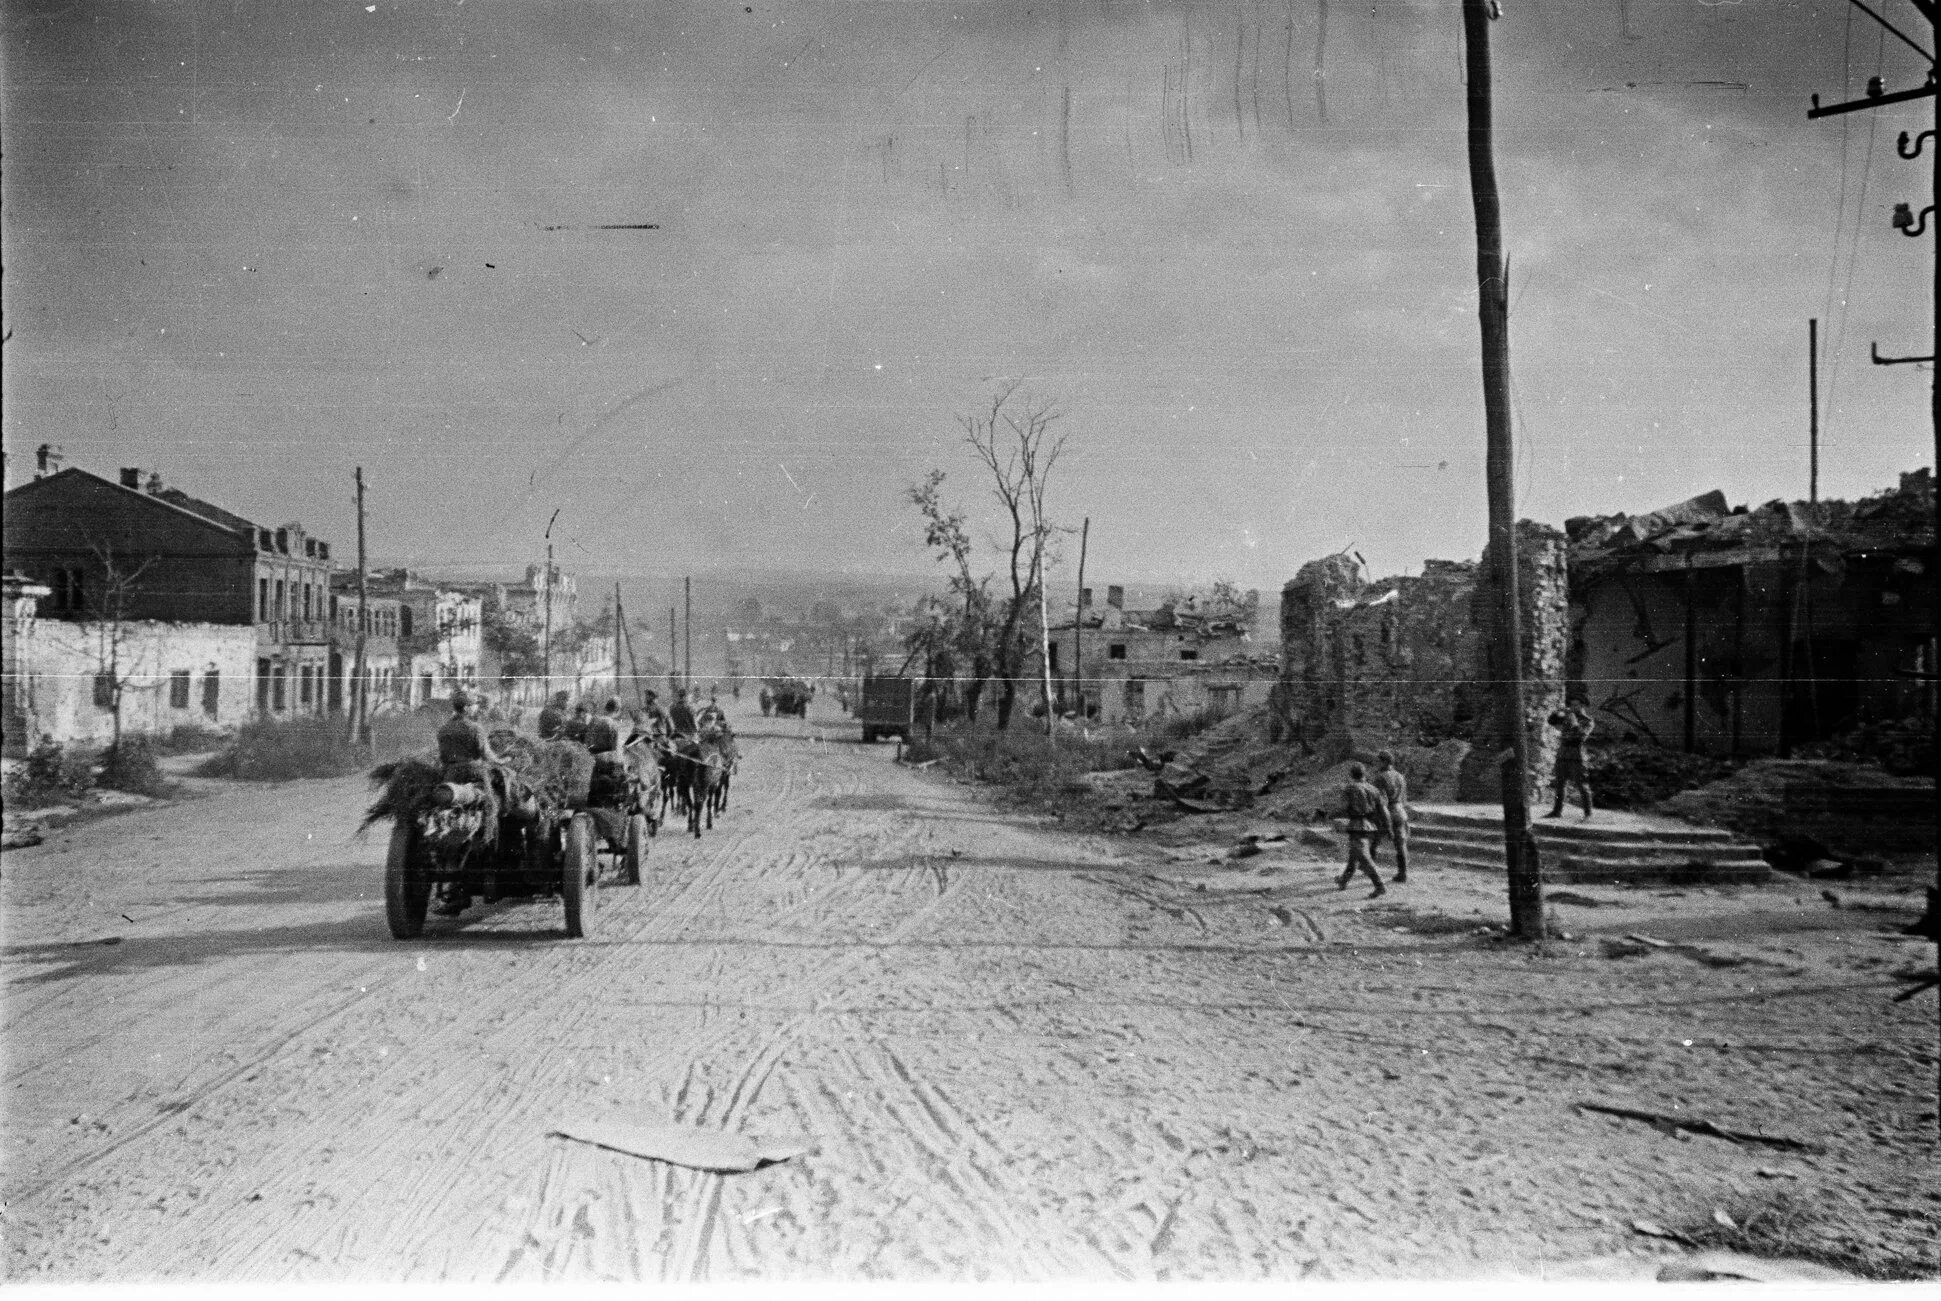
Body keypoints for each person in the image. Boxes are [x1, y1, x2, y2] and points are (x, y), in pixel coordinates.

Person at [433, 690, 504, 915]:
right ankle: (489, 838)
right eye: (473, 706)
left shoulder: (443, 729)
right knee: (492, 803)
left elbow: (443, 756)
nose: (476, 709)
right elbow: (486, 755)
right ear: (467, 708)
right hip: (473, 775)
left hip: (450, 778)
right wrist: (502, 761)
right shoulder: (475, 729)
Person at [1335, 761, 1391, 898]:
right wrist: (1389, 828)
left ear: (1351, 775)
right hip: (1371, 826)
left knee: (1364, 857)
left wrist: (1332, 813)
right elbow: (1384, 811)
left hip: (1357, 825)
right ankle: (1343, 881)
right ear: (1364, 774)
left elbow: (1341, 807)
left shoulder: (1349, 789)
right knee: (1354, 856)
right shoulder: (1374, 789)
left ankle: (1380, 886)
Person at [1546, 704, 1595, 820]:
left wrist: (1573, 724)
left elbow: (1581, 737)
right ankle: (1556, 811)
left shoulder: (1587, 721)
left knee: (1582, 785)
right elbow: (1552, 721)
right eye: (1572, 702)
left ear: (1582, 705)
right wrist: (1559, 713)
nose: (1573, 705)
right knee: (1560, 784)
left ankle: (1588, 814)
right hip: (1562, 754)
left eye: (1576, 703)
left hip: (1576, 756)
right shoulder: (1567, 716)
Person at [1370, 750, 1411, 884]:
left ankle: (1368, 868)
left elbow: (1380, 801)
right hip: (1400, 811)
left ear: (1384, 762)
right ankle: (1402, 873)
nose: (1377, 764)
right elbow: (1404, 799)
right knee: (1400, 844)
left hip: (1386, 812)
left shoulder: (1380, 778)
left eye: (1379, 761)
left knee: (1374, 839)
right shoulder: (1400, 776)